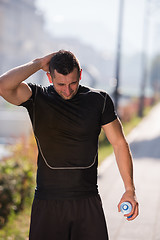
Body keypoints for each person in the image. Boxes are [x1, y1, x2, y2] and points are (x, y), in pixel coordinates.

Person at [0, 50, 138, 240]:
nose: (67, 90)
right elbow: (3, 86)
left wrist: (129, 190)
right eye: (61, 84)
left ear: (80, 74)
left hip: (87, 201)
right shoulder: (37, 97)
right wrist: (39, 63)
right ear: (49, 77)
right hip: (48, 202)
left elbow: (119, 143)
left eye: (73, 83)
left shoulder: (99, 100)